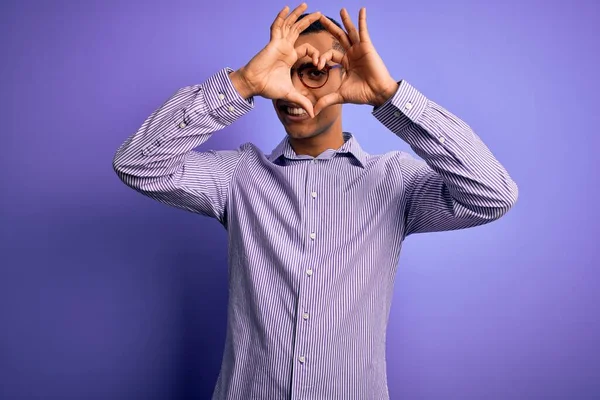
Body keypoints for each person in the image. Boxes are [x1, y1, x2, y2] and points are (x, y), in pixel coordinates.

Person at [112, 4, 518, 399]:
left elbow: (492, 193)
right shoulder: (238, 176)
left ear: (347, 75)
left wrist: (388, 96)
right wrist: (243, 83)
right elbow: (138, 164)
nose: (292, 90)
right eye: (283, 73)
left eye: (312, 72)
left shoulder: (393, 181)